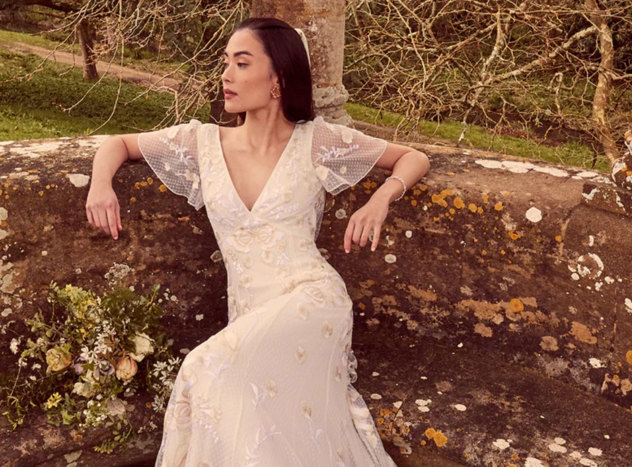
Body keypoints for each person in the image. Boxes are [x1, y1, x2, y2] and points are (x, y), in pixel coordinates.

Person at [86, 16, 429, 466]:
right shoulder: (201, 143)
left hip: (312, 301)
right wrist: (100, 185)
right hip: (248, 314)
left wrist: (382, 198)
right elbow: (118, 144)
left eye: (241, 64)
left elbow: (413, 156)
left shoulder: (317, 141)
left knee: (203, 368)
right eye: (225, 63)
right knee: (247, 421)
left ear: (278, 78)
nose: (226, 75)